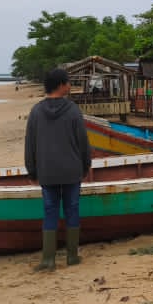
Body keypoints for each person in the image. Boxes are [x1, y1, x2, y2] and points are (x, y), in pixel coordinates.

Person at [24, 67, 93, 272]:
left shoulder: (36, 111)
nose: (70, 86)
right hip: (72, 170)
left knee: (50, 212)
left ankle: (48, 259)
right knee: (72, 209)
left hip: (47, 171)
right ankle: (72, 256)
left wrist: (32, 170)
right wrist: (86, 165)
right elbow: (83, 142)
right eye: (68, 82)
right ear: (61, 85)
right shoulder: (72, 110)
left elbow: (30, 144)